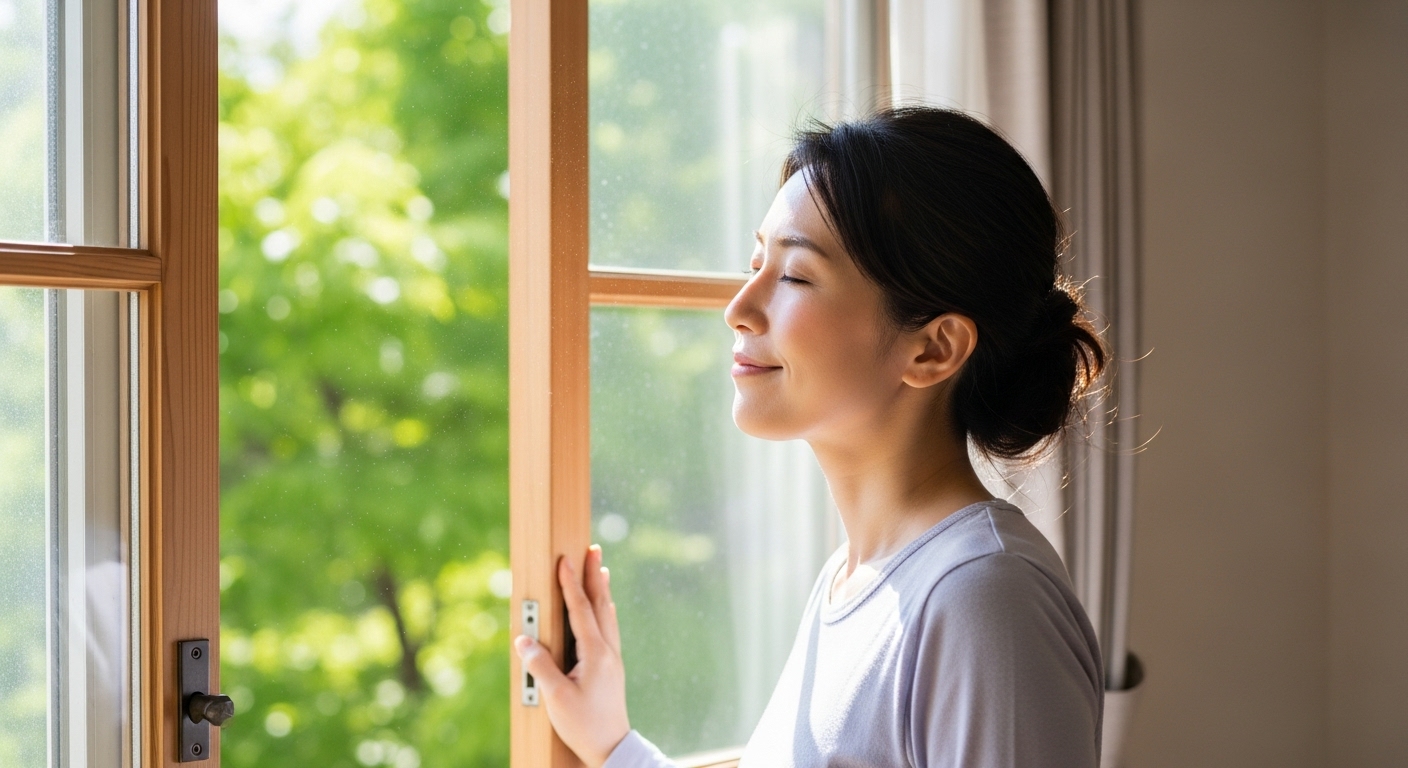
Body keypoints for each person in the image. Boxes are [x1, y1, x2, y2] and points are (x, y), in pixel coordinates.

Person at [513, 106, 1108, 768]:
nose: (738, 309)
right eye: (755, 263)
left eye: (794, 275)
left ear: (934, 348)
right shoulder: (855, 579)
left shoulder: (985, 601)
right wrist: (614, 745)